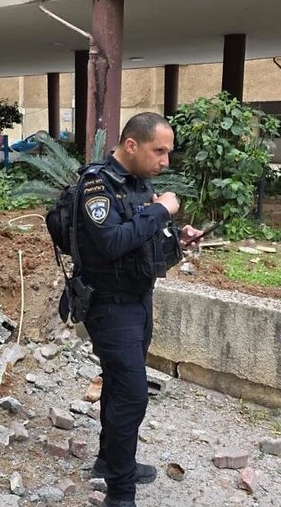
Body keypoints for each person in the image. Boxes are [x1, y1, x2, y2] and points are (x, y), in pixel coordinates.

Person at [76, 112, 201, 507]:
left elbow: (140, 235)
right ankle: (120, 493)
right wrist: (161, 210)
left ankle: (107, 461)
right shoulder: (96, 187)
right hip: (109, 307)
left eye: (168, 152)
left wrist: (176, 234)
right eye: (158, 151)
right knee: (132, 396)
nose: (165, 161)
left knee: (117, 385)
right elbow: (111, 243)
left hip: (138, 302)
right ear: (131, 145)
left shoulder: (136, 185)